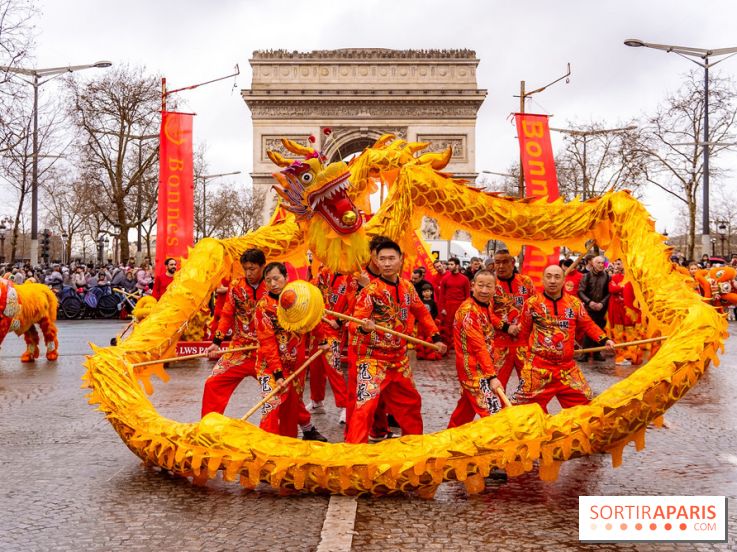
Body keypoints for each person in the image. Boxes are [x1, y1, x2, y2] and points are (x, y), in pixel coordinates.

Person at [345, 240, 447, 443]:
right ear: (376, 261)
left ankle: (413, 446)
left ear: (401, 260)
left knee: (410, 402)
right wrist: (364, 327)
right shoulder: (370, 291)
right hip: (373, 359)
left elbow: (421, 313)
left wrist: (435, 336)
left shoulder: (408, 287)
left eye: (392, 258)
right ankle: (354, 452)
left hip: (398, 359)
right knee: (365, 406)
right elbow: (354, 323)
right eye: (382, 259)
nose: (387, 263)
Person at [513, 265, 615, 413]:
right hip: (538, 368)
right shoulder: (532, 303)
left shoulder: (574, 303)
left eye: (557, 277)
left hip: (567, 368)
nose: (552, 281)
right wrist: (525, 363)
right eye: (548, 276)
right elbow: (523, 334)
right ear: (543, 279)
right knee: (524, 412)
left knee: (585, 408)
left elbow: (588, 324)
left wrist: (604, 340)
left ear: (564, 280)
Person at [254, 262, 327, 440]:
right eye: (268, 280)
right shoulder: (263, 307)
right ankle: (266, 448)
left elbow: (312, 319)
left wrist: (322, 340)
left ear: (286, 278)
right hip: (269, 366)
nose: (273, 284)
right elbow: (267, 342)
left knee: (292, 404)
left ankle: (288, 446)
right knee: (270, 404)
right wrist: (278, 374)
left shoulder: (300, 297)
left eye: (276, 278)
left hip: (296, 363)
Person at [201, 249, 267, 417]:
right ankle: (210, 426)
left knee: (279, 389)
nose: (249, 273)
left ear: (263, 266)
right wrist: (216, 342)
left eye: (253, 268)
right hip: (239, 349)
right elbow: (227, 315)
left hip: (265, 352)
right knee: (213, 383)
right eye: (246, 268)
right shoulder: (236, 286)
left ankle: (305, 424)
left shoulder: (272, 286)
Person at [447, 270, 504, 427]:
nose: (484, 290)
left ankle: (450, 439)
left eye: (488, 286)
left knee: (463, 413)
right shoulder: (468, 311)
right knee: (492, 411)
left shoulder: (486, 304)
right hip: (473, 371)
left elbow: (490, 318)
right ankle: (500, 447)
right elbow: (478, 347)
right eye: (480, 285)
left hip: (483, 367)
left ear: (495, 288)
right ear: (472, 286)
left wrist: (506, 326)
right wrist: (492, 376)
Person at [308, 265, 352, 423]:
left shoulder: (352, 278)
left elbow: (354, 306)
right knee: (315, 366)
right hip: (318, 326)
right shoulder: (324, 272)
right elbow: (312, 290)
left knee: (334, 367)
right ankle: (316, 401)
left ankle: (345, 406)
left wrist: (339, 320)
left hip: (335, 331)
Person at [492, 249, 536, 390]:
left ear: (513, 262)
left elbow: (535, 306)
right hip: (499, 343)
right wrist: (506, 327)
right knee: (497, 387)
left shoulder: (526, 282)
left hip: (524, 343)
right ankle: (499, 412)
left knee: (531, 385)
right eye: (497, 262)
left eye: (505, 262)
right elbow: (485, 313)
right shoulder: (490, 285)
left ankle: (533, 412)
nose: (500, 266)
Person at [607, 259, 643, 366]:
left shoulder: (634, 278)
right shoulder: (615, 277)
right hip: (617, 309)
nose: (616, 266)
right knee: (618, 334)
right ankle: (620, 357)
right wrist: (621, 286)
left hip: (630, 310)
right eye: (616, 264)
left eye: (619, 264)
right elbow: (612, 289)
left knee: (631, 333)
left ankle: (632, 355)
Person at [578, 255, 610, 362]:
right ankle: (585, 354)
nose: (601, 265)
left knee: (600, 330)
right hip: (589, 308)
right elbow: (580, 291)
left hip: (602, 308)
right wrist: (589, 302)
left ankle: (597, 353)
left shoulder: (607, 276)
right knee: (588, 331)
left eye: (602, 263)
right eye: (598, 263)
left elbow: (608, 293)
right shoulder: (586, 276)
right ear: (593, 264)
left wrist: (602, 303)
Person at [439, 257, 470, 344]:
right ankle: (449, 345)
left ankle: (459, 344)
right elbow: (441, 295)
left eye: (451, 264)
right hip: (448, 305)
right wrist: (442, 308)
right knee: (447, 326)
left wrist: (466, 309)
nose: (449, 266)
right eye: (448, 264)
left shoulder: (465, 279)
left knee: (460, 326)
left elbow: (467, 296)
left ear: (457, 266)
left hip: (460, 306)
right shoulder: (445, 279)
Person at [416, 283, 442, 360]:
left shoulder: (433, 303)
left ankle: (430, 353)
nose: (426, 293)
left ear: (431, 292)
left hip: (431, 323)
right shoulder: (420, 302)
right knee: (421, 338)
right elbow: (418, 312)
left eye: (427, 291)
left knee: (429, 337)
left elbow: (435, 312)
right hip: (421, 324)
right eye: (424, 292)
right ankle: (421, 354)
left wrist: (432, 319)